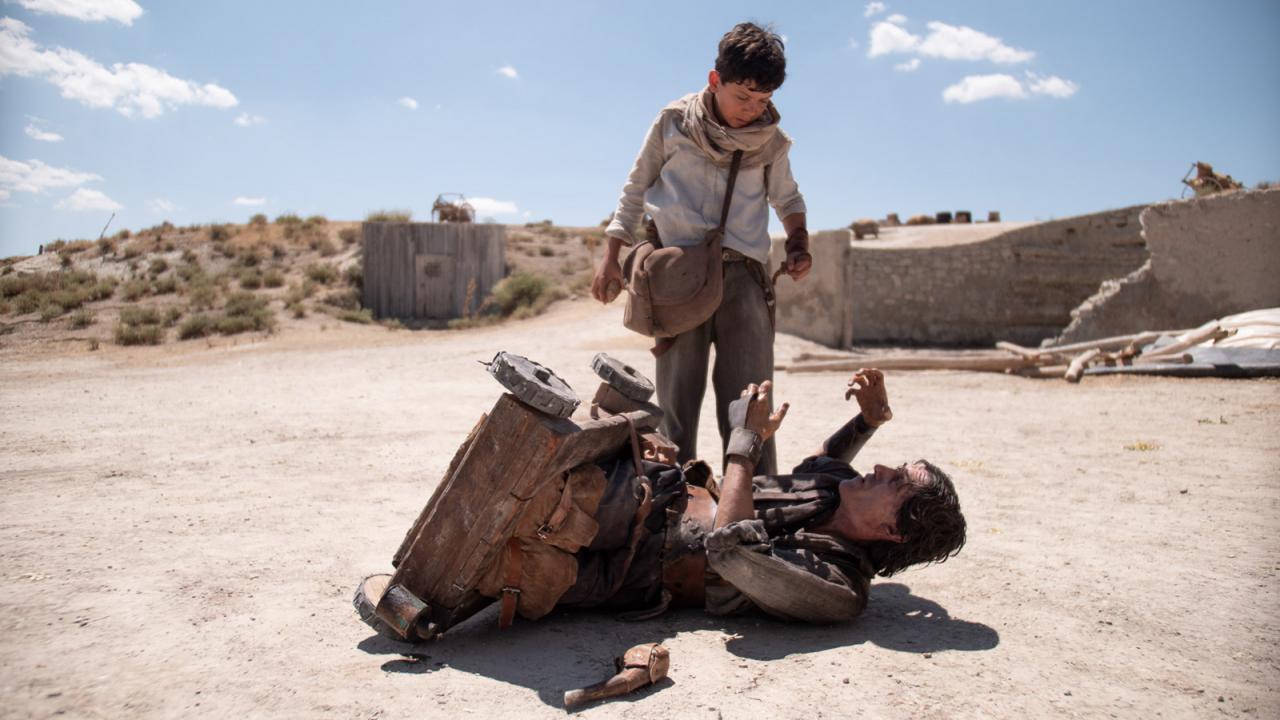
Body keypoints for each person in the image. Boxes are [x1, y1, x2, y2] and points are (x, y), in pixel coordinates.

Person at [559, 369, 967, 623]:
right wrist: (867, 422)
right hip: (659, 492)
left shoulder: (840, 589)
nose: (880, 469)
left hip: (638, 560)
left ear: (893, 531)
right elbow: (822, 464)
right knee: (568, 442)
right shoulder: (835, 493)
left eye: (895, 483)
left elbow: (730, 550)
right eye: (895, 468)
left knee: (543, 515)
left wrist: (746, 441)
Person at [592, 21, 812, 477]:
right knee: (675, 411)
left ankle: (755, 502)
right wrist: (611, 257)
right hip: (676, 280)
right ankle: (672, 501)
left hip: (744, 280)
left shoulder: (770, 142)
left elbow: (788, 200)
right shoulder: (673, 122)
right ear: (715, 80)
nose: (752, 110)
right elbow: (635, 190)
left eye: (763, 100)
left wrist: (798, 243)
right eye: (743, 96)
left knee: (750, 406)